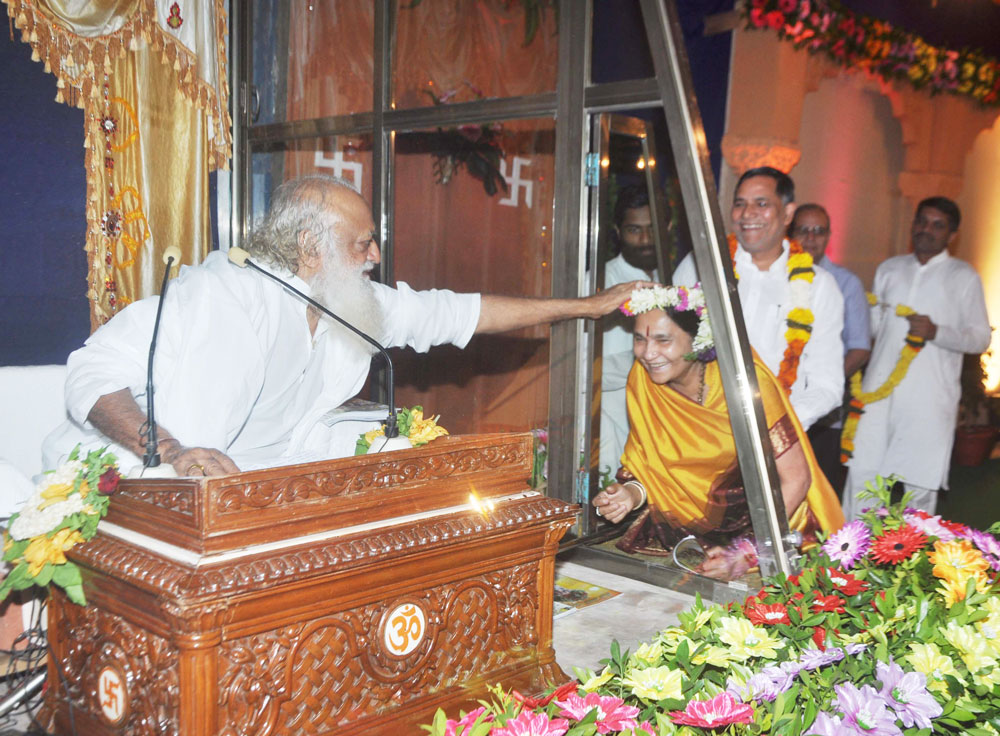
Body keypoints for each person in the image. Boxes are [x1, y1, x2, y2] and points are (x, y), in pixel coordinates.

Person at [43, 175, 650, 477]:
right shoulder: (220, 292)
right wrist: (172, 451)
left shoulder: (349, 301)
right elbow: (90, 373)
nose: (376, 256)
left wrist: (585, 306)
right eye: (363, 244)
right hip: (145, 493)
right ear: (311, 247)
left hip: (259, 496)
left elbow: (461, 312)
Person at [591, 285, 844, 579]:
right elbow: (652, 467)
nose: (647, 353)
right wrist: (632, 494)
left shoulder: (743, 384)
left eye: (663, 340)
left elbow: (796, 479)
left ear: (699, 340)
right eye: (639, 339)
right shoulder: (643, 380)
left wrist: (746, 552)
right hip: (690, 535)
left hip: (768, 528)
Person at [843, 197, 991, 518]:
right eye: (922, 221)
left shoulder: (963, 276)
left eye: (938, 225)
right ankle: (850, 545)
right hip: (877, 390)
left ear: (952, 234)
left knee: (917, 482)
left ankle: (912, 548)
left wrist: (937, 332)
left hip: (929, 398)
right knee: (863, 470)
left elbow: (981, 338)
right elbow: (874, 327)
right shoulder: (890, 269)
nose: (926, 230)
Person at [672, 167, 844, 431]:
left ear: (788, 213)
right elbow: (669, 345)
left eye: (761, 204)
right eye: (740, 204)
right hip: (695, 425)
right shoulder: (701, 265)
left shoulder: (819, 286)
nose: (747, 213)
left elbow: (827, 384)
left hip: (772, 435)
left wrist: (776, 427)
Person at [789, 204, 871, 496]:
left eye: (819, 231)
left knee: (819, 494)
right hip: (780, 405)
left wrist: (819, 385)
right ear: (790, 233)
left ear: (828, 236)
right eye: (803, 230)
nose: (811, 238)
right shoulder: (775, 275)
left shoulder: (846, 283)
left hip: (824, 416)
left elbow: (860, 348)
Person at [600, 185, 662, 477]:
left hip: (661, 428)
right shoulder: (601, 284)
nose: (645, 239)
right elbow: (586, 369)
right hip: (612, 424)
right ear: (618, 231)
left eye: (652, 229)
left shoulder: (675, 280)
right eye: (634, 230)